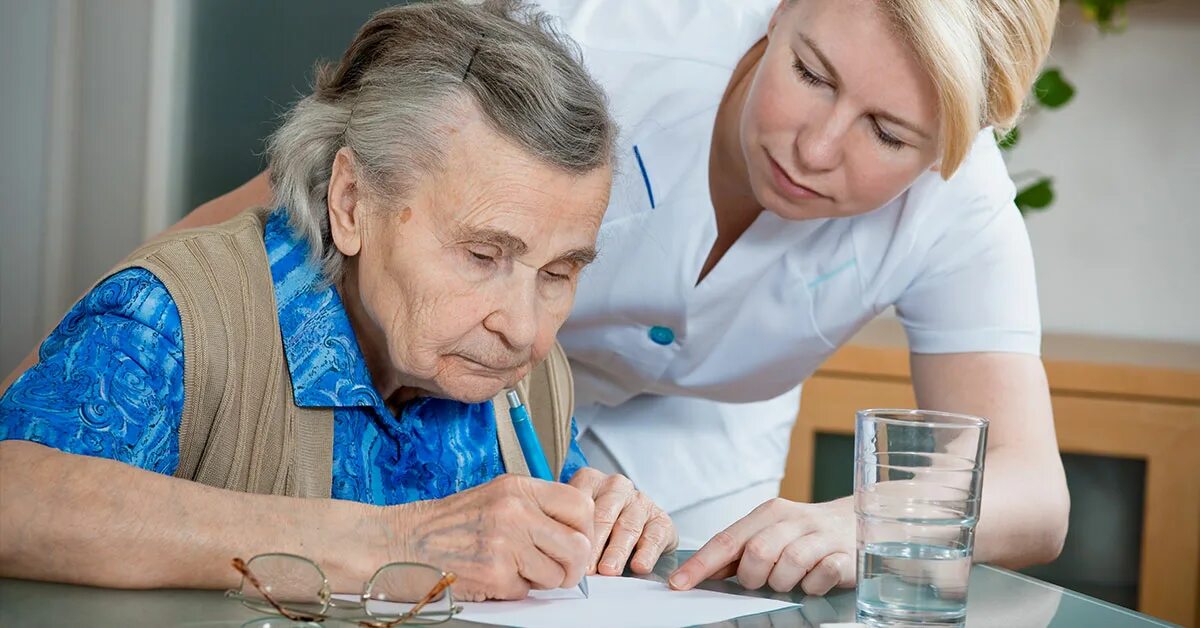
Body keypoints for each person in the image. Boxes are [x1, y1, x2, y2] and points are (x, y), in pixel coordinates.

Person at [4, 0, 1072, 596]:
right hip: (415, 359)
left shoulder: (960, 204)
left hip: (555, 419)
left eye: (889, 136)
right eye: (810, 73)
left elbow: (1031, 487)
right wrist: (119, 322)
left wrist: (860, 521)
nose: (816, 146)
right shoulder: (593, 38)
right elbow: (320, 193)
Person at [0, 1, 677, 602]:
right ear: (352, 203)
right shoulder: (174, 320)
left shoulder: (526, 376)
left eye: (559, 272)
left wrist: (600, 521)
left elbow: (515, 535)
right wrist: (393, 542)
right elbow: (13, 495)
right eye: (481, 255)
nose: (525, 329)